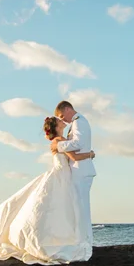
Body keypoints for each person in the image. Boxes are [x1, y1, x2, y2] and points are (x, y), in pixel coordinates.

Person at [0, 115, 96, 266]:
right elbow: (74, 156)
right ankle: (53, 239)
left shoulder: (60, 140)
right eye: (59, 120)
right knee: (56, 207)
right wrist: (90, 154)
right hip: (61, 176)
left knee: (57, 208)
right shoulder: (59, 140)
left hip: (63, 175)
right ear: (56, 126)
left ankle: (59, 237)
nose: (62, 121)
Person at [49, 101, 95, 247]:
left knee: (80, 208)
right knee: (78, 208)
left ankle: (83, 241)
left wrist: (58, 145)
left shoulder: (79, 122)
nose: (63, 120)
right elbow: (75, 150)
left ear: (68, 109)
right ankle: (82, 240)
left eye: (62, 116)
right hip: (76, 170)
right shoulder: (75, 123)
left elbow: (78, 144)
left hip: (80, 170)